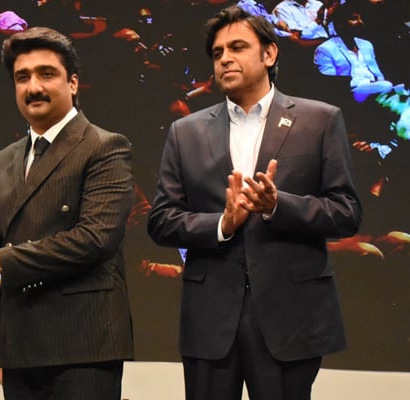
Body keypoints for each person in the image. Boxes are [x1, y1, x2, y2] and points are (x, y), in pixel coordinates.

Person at [147, 6, 362, 400]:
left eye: (237, 47)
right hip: (210, 319)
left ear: (269, 54)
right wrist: (221, 225)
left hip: (289, 318)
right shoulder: (185, 132)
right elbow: (161, 221)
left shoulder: (320, 120)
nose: (225, 58)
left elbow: (347, 212)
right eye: (217, 52)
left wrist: (280, 205)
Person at [0, 26, 135, 400]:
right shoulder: (5, 159)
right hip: (20, 344)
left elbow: (94, 240)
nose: (33, 86)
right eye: (22, 77)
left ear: (73, 83)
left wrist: (0, 261)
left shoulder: (105, 147)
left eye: (46, 74)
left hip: (84, 344)